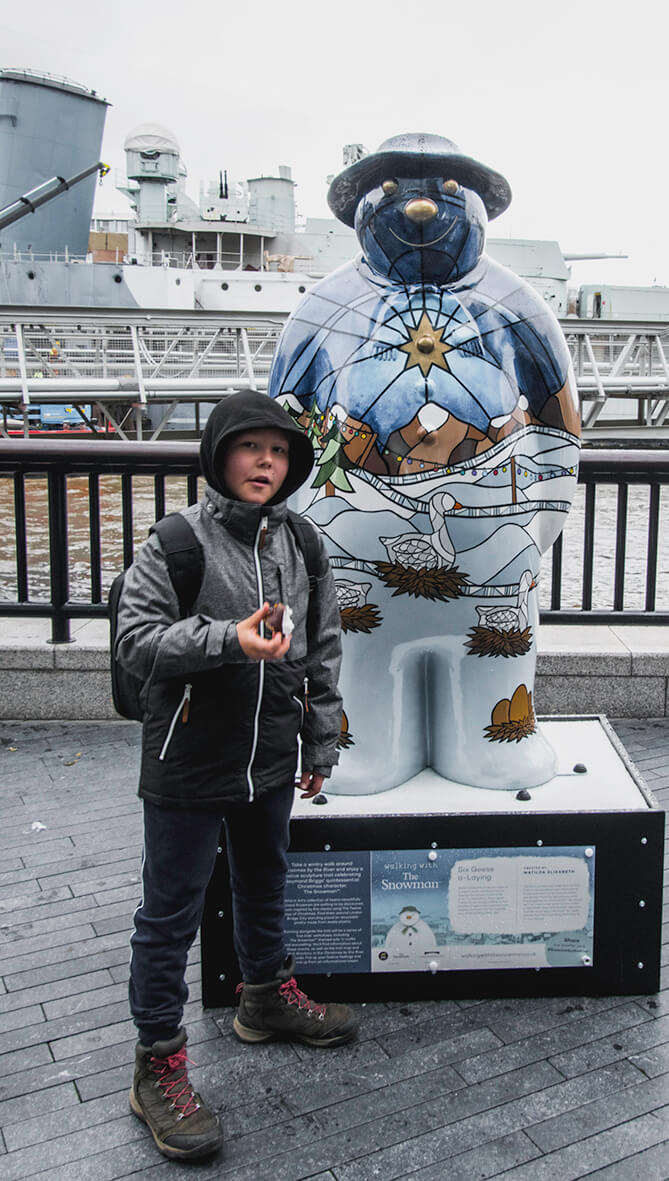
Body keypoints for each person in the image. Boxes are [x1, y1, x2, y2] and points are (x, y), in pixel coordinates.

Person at [116, 389, 358, 1162]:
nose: (266, 462)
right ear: (220, 454)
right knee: (170, 912)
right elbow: (137, 640)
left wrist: (319, 742)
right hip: (188, 756)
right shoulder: (177, 541)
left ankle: (264, 998)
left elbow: (322, 650)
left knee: (265, 879)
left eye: (280, 451)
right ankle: (158, 1061)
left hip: (270, 754)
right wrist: (228, 639)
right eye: (251, 447)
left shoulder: (304, 543)